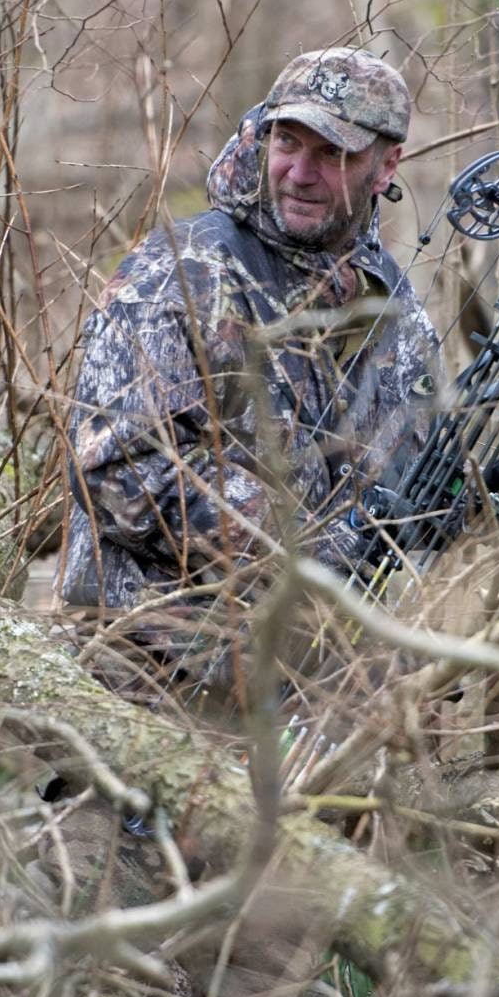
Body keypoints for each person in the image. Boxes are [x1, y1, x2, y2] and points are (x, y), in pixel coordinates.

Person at [61, 46, 442, 697]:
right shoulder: (183, 272)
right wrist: (299, 546)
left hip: (327, 692)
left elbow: (404, 497)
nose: (300, 171)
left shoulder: (396, 313)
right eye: (287, 141)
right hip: (164, 687)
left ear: (387, 165)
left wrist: (479, 489)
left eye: (334, 153)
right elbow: (117, 470)